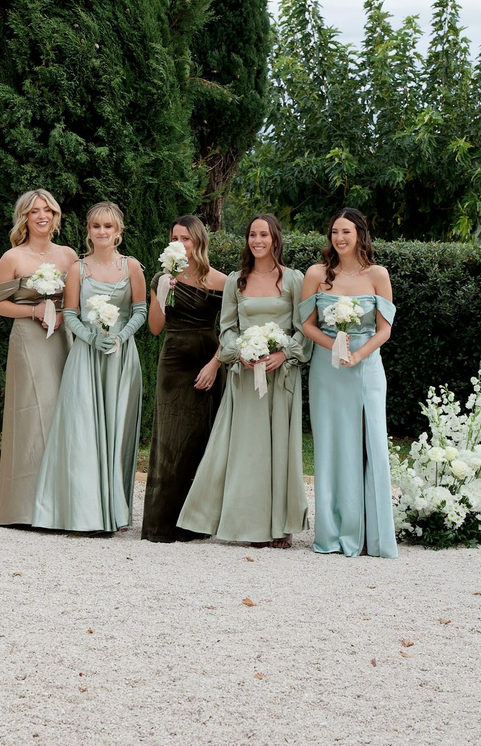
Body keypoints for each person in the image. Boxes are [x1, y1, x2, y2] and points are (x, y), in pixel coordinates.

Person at [178, 214, 308, 547]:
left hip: (281, 379)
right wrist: (241, 353)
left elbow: (303, 329)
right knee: (247, 452)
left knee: (279, 449)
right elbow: (227, 329)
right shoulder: (237, 280)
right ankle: (246, 524)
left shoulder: (294, 279)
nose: (257, 240)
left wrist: (283, 354)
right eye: (252, 234)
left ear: (275, 239)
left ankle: (280, 527)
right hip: (245, 377)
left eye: (264, 234)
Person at [32, 201, 148, 533]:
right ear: (89, 231)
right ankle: (81, 512)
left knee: (116, 432)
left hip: (121, 359)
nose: (102, 232)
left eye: (108, 227)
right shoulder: (78, 269)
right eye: (96, 226)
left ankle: (113, 511)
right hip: (85, 357)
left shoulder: (132, 267)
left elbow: (140, 309)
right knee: (82, 430)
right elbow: (69, 314)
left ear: (118, 232)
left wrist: (121, 337)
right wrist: (90, 338)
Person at [300, 208, 397, 558]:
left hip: (367, 367)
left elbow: (385, 329)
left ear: (360, 234)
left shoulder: (377, 274)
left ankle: (371, 533)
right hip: (328, 370)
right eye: (334, 232)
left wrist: (357, 355)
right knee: (330, 445)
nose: (339, 238)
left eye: (346, 232)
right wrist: (335, 346)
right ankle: (332, 531)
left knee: (368, 442)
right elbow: (307, 325)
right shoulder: (316, 274)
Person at [0, 188, 75, 529]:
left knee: (62, 412)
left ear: (55, 217)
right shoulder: (13, 258)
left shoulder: (68, 256)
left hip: (62, 339)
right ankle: (24, 506)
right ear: (24, 216)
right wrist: (34, 308)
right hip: (28, 340)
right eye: (35, 211)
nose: (42, 216)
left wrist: (66, 314)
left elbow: (78, 300)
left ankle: (62, 501)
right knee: (31, 412)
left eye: (48, 211)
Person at [142, 215, 227, 542]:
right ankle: (162, 523)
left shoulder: (221, 281)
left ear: (199, 241)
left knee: (199, 439)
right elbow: (154, 328)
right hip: (174, 361)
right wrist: (162, 294)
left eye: (186, 238)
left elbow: (233, 328)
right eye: (174, 238)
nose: (179, 244)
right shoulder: (161, 278)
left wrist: (215, 364)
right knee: (170, 438)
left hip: (207, 360)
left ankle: (195, 524)